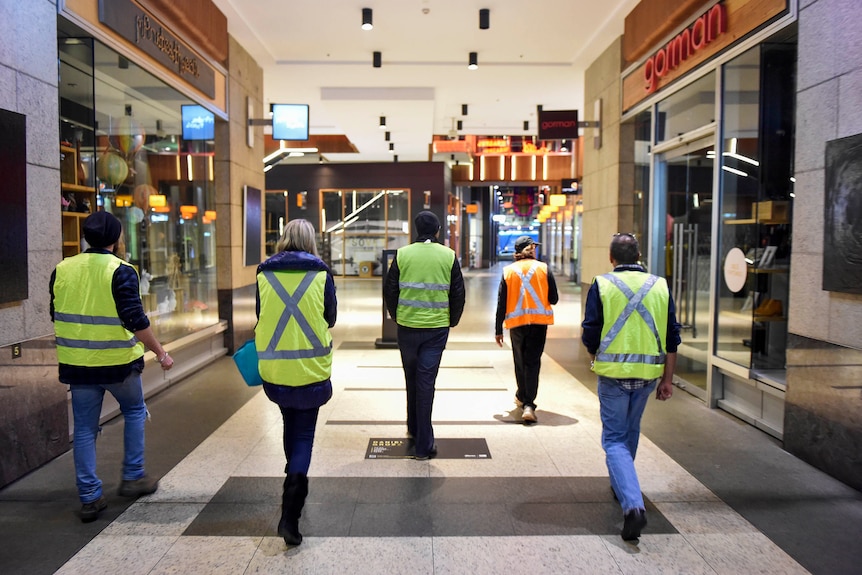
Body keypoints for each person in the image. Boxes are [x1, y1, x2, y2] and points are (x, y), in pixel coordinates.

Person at [50, 211, 174, 523]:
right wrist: (160, 352)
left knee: (84, 430)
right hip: (118, 364)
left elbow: (56, 312)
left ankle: (90, 497)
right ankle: (133, 476)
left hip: (77, 365)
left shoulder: (62, 269)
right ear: (116, 240)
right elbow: (135, 320)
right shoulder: (121, 270)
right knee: (133, 411)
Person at [581, 233, 680, 542]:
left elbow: (590, 331)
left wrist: (594, 352)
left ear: (612, 258)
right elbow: (672, 336)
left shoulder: (602, 284)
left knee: (613, 439)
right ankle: (622, 484)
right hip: (648, 374)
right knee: (631, 429)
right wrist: (668, 379)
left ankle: (633, 506)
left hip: (613, 375)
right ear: (639, 257)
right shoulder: (660, 285)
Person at [255, 218, 336, 546]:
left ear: (284, 238)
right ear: (311, 240)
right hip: (310, 367)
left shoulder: (263, 272)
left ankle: (292, 478)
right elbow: (330, 317)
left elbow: (262, 313)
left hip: (275, 368)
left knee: (290, 423)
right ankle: (291, 512)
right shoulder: (321, 273)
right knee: (303, 435)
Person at [384, 211, 465, 460]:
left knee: (411, 378)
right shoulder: (448, 255)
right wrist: (452, 320)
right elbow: (458, 292)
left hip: (407, 328)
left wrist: (397, 316)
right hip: (436, 330)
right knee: (426, 383)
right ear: (438, 230)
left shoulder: (403, 254)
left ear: (416, 230)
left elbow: (390, 289)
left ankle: (413, 427)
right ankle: (423, 444)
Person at [495, 236, 558, 423]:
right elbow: (553, 298)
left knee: (520, 361)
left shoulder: (508, 271)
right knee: (533, 362)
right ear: (530, 249)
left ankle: (522, 396)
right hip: (539, 323)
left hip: (517, 324)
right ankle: (528, 404)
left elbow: (501, 302)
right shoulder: (544, 269)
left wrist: (498, 329)